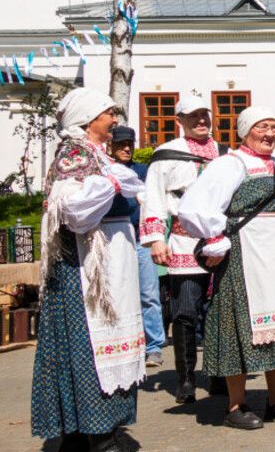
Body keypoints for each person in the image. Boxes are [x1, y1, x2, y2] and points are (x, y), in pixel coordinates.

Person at [177, 106, 275, 430]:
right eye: (263, 126)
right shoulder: (231, 164)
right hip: (247, 258)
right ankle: (235, 405)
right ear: (245, 131)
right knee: (240, 328)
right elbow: (193, 206)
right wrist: (216, 236)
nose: (270, 133)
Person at [31, 89, 146, 451]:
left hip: (107, 268)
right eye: (107, 113)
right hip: (82, 271)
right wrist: (111, 182)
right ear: (88, 118)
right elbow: (75, 211)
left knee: (103, 344)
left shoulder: (94, 153)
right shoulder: (75, 153)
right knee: (86, 348)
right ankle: (95, 434)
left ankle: (94, 431)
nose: (115, 119)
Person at [139, 95, 229, 404]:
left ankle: (220, 374)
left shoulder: (225, 154)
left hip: (220, 244)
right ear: (180, 120)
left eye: (205, 115)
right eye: (194, 116)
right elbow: (152, 196)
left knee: (219, 313)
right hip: (183, 241)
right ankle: (187, 378)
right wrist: (155, 239)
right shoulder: (166, 154)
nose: (201, 121)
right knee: (185, 312)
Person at [109, 126, 162, 368]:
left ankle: (154, 347)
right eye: (121, 144)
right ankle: (120, 344)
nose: (127, 148)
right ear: (111, 146)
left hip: (141, 238)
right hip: (114, 238)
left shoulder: (142, 171)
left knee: (149, 294)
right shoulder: (104, 171)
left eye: (129, 143)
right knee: (116, 293)